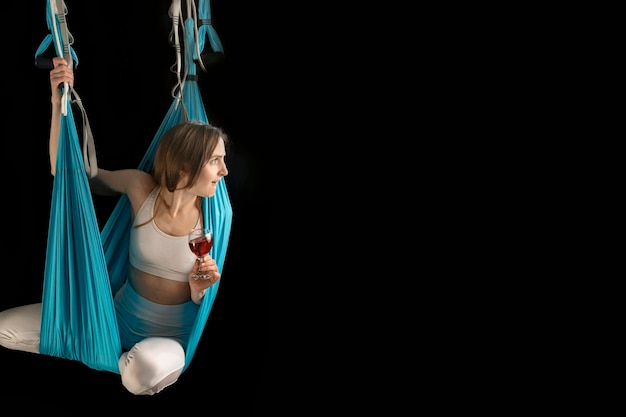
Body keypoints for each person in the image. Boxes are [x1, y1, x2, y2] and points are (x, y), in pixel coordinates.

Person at [0, 57, 229, 395]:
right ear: (184, 167)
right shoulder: (141, 190)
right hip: (110, 320)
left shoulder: (214, 217)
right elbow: (68, 173)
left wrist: (199, 288)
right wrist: (57, 101)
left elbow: (199, 298)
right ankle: (106, 352)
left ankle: (111, 358)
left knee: (141, 374)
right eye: (215, 161)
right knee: (3, 328)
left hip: (165, 342)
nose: (224, 171)